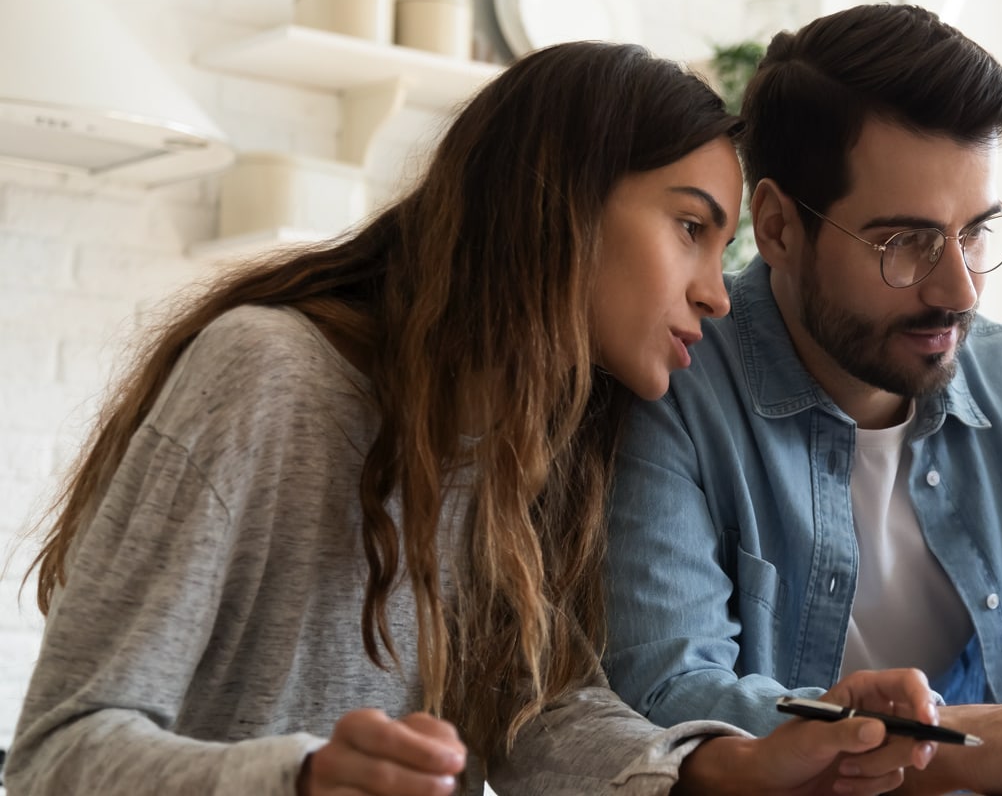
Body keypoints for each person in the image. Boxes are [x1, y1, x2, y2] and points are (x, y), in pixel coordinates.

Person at [4, 41, 945, 796]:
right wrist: (303, 776)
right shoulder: (268, 375)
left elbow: (535, 715)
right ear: (559, 204)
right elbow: (56, 757)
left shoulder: (545, 442)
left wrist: (734, 764)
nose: (717, 294)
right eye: (690, 227)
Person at [602, 5, 1002, 795]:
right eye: (906, 243)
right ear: (781, 228)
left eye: (976, 233)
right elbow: (669, 698)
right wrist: (959, 743)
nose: (959, 289)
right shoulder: (672, 382)